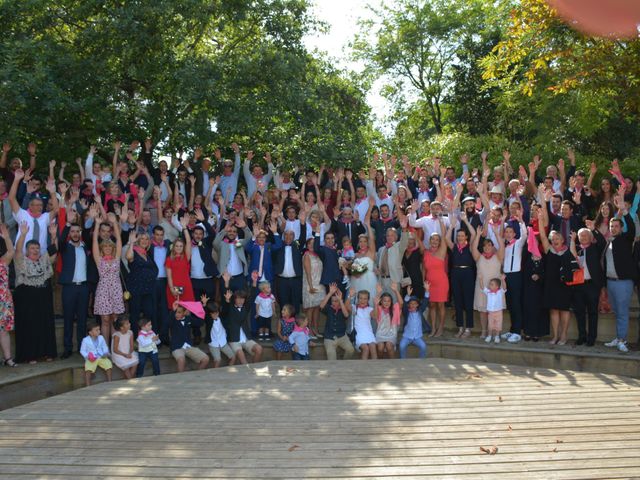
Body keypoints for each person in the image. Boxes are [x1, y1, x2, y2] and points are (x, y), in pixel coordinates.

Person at [13, 221, 58, 364]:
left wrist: (53, 235)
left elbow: (54, 253)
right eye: (32, 248)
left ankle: (46, 353)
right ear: (27, 250)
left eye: (37, 248)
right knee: (30, 327)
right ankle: (30, 355)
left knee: (45, 326)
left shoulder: (43, 260)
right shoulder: (21, 260)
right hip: (27, 299)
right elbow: (18, 250)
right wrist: (23, 234)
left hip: (43, 297)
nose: (35, 250)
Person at [537, 208, 573, 345]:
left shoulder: (568, 251)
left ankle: (564, 336)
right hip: (551, 284)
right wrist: (540, 220)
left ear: (563, 239)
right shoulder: (549, 249)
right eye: (554, 239)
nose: (555, 240)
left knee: (564, 310)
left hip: (564, 284)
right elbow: (542, 236)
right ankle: (555, 336)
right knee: (553, 311)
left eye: (558, 238)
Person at [602, 209, 637, 353]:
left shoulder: (625, 239)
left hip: (623, 282)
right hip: (611, 282)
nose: (613, 228)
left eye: (616, 226)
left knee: (622, 313)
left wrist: (625, 211)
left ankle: (622, 340)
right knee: (617, 312)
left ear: (621, 228)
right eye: (611, 226)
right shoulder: (610, 242)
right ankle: (618, 337)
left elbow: (632, 229)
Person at [58, 220, 91, 359]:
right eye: (73, 231)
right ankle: (68, 348)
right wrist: (67, 225)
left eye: (77, 231)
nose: (75, 234)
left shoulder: (85, 247)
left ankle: (82, 348)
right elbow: (60, 240)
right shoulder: (65, 247)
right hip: (69, 288)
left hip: (83, 287)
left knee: (83, 319)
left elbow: (90, 237)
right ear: (69, 234)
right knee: (68, 318)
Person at [571, 224, 605, 346]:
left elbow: (602, 241)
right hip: (578, 286)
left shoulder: (596, 247)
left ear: (590, 237)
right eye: (581, 236)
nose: (583, 237)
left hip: (592, 285)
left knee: (592, 313)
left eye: (585, 235)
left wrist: (593, 229)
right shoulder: (576, 249)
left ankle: (591, 338)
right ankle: (582, 336)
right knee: (579, 312)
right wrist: (572, 239)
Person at [92, 218, 125, 343]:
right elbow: (95, 241)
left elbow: (119, 241)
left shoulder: (116, 258)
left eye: (109, 246)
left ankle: (114, 348)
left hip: (116, 289)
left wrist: (115, 224)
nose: (107, 248)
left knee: (114, 318)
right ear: (102, 248)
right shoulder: (99, 260)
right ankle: (105, 348)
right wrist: (97, 225)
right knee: (105, 319)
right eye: (105, 246)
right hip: (104, 290)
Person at [220, 271, 263, 364]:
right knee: (242, 357)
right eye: (238, 298)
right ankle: (248, 373)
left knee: (259, 349)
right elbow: (226, 297)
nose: (240, 301)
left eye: (242, 299)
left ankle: (253, 369)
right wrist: (226, 283)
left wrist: (254, 282)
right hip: (234, 339)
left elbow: (252, 296)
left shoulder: (245, 308)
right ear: (234, 299)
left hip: (246, 338)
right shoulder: (229, 308)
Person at [444, 216, 476, 338]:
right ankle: (460, 327)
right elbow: (447, 238)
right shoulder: (454, 247)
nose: (460, 238)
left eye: (462, 236)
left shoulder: (470, 246)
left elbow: (473, 233)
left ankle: (468, 328)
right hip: (455, 274)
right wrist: (451, 226)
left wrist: (466, 221)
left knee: (468, 301)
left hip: (467, 273)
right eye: (458, 236)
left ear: (466, 237)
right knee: (457, 301)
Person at [470, 226, 504, 339]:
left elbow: (502, 247)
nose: (487, 247)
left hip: (495, 290)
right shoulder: (479, 257)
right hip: (482, 288)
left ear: (493, 247)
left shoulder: (498, 256)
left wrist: (496, 234)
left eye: (489, 245)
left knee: (495, 313)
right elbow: (473, 248)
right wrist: (478, 235)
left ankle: (495, 332)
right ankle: (484, 331)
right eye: (485, 245)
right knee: (483, 311)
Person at [125, 231, 158, 332]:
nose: (144, 241)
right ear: (138, 240)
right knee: (135, 313)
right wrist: (131, 243)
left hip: (148, 289)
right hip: (136, 288)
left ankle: (146, 336)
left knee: (149, 312)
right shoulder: (133, 251)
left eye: (146, 239)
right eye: (142, 238)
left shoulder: (147, 254)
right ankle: (135, 337)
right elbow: (129, 257)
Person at [423, 219, 449, 337]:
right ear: (429, 241)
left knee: (440, 305)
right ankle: (433, 328)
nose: (434, 241)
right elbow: (424, 269)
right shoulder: (426, 252)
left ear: (439, 242)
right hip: (429, 284)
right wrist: (424, 283)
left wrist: (441, 221)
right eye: (432, 239)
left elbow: (444, 236)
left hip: (441, 283)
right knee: (432, 305)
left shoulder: (442, 251)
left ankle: (441, 328)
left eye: (436, 240)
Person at [169, 300, 209, 372]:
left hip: (188, 346)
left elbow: (200, 322)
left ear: (185, 312)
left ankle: (196, 376)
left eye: (179, 312)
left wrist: (203, 306)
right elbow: (166, 324)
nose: (177, 314)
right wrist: (173, 312)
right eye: (176, 312)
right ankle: (181, 380)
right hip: (177, 347)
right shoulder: (172, 319)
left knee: (205, 359)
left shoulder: (188, 319)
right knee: (181, 360)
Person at [320, 284, 355, 361]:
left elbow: (346, 314)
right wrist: (330, 293)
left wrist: (341, 301)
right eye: (332, 301)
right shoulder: (329, 308)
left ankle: (343, 364)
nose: (334, 303)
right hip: (329, 337)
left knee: (351, 350)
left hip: (342, 336)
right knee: (331, 357)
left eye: (336, 301)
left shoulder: (342, 308)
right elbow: (321, 306)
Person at [399, 283, 430, 359]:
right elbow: (404, 305)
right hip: (407, 336)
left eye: (415, 304)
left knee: (423, 346)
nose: (412, 305)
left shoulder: (420, 311)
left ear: (417, 305)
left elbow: (425, 302)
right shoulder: (407, 312)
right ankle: (403, 360)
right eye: (411, 304)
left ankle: (421, 360)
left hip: (417, 337)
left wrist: (427, 290)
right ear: (409, 305)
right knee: (401, 346)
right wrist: (408, 295)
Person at [302, 237, 325, 337]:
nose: (312, 245)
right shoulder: (307, 255)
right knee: (310, 308)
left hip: (319, 284)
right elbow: (307, 272)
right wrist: (310, 286)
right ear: (307, 245)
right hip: (310, 284)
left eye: (314, 243)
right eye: (310, 244)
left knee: (317, 308)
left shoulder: (318, 255)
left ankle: (316, 329)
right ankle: (309, 330)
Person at [0, 224, 16, 367]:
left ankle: (8, 359)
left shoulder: (3, 261)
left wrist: (6, 238)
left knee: (4, 331)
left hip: (3, 301)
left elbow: (11, 251)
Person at [374, 283, 403, 359]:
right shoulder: (379, 308)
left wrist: (396, 290)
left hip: (391, 333)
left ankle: (392, 363)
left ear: (391, 302)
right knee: (380, 348)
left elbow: (401, 303)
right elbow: (375, 316)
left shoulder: (394, 308)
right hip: (380, 333)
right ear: (381, 302)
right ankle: (380, 363)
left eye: (388, 301)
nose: (386, 302)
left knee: (389, 346)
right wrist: (378, 295)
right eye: (384, 301)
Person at [351, 288, 377, 360]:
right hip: (359, 335)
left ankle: (376, 368)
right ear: (357, 299)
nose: (362, 300)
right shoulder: (355, 308)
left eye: (365, 299)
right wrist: (349, 296)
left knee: (373, 347)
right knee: (365, 348)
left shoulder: (370, 309)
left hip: (369, 334)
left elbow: (375, 316)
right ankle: (364, 369)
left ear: (368, 300)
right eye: (361, 298)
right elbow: (347, 307)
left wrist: (376, 305)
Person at [482, 276, 508, 343]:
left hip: (498, 312)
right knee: (490, 325)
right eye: (490, 284)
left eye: (492, 284)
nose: (489, 285)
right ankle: (489, 336)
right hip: (491, 312)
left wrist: (503, 280)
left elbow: (505, 287)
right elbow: (482, 287)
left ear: (497, 286)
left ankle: (497, 336)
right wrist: (480, 279)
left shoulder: (500, 292)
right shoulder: (488, 292)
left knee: (498, 325)